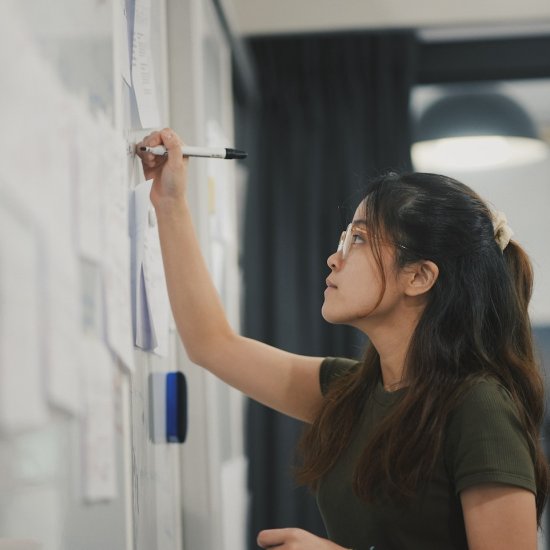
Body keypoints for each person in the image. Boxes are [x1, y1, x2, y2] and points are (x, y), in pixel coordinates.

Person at [138, 128, 548, 550]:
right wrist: (169, 203)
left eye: (359, 239)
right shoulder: (351, 392)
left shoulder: (480, 405)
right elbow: (212, 344)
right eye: (344, 238)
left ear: (419, 276)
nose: (335, 258)